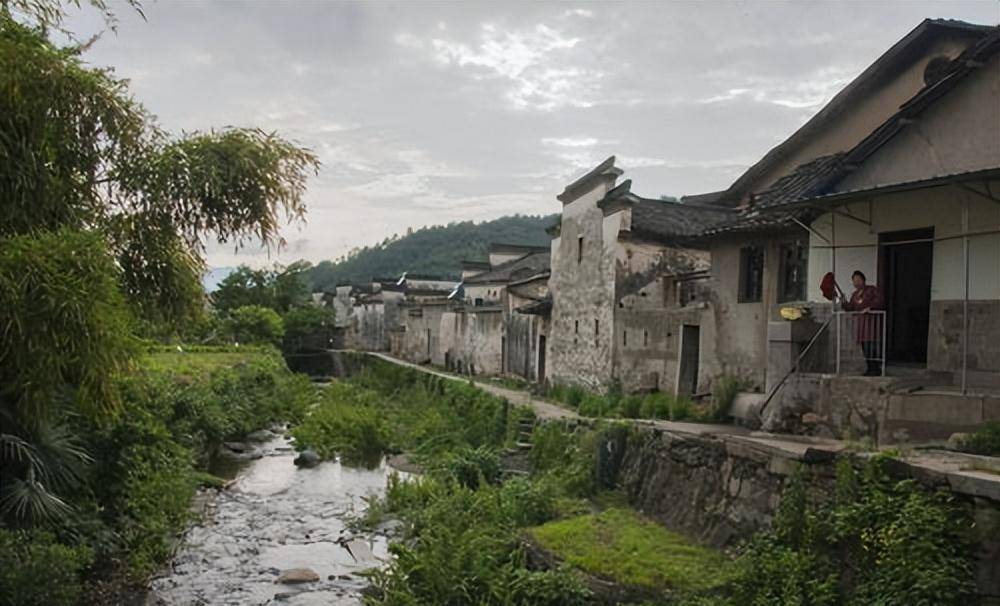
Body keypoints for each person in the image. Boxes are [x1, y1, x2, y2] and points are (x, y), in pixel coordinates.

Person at [841, 270, 885, 376]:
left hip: (871, 323)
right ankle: (869, 368)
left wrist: (870, 307)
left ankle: (876, 368)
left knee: (872, 346)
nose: (856, 282)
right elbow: (851, 307)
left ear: (863, 279)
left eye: (858, 279)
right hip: (862, 325)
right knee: (864, 347)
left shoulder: (872, 290)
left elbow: (880, 301)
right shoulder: (855, 295)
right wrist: (843, 302)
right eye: (854, 280)